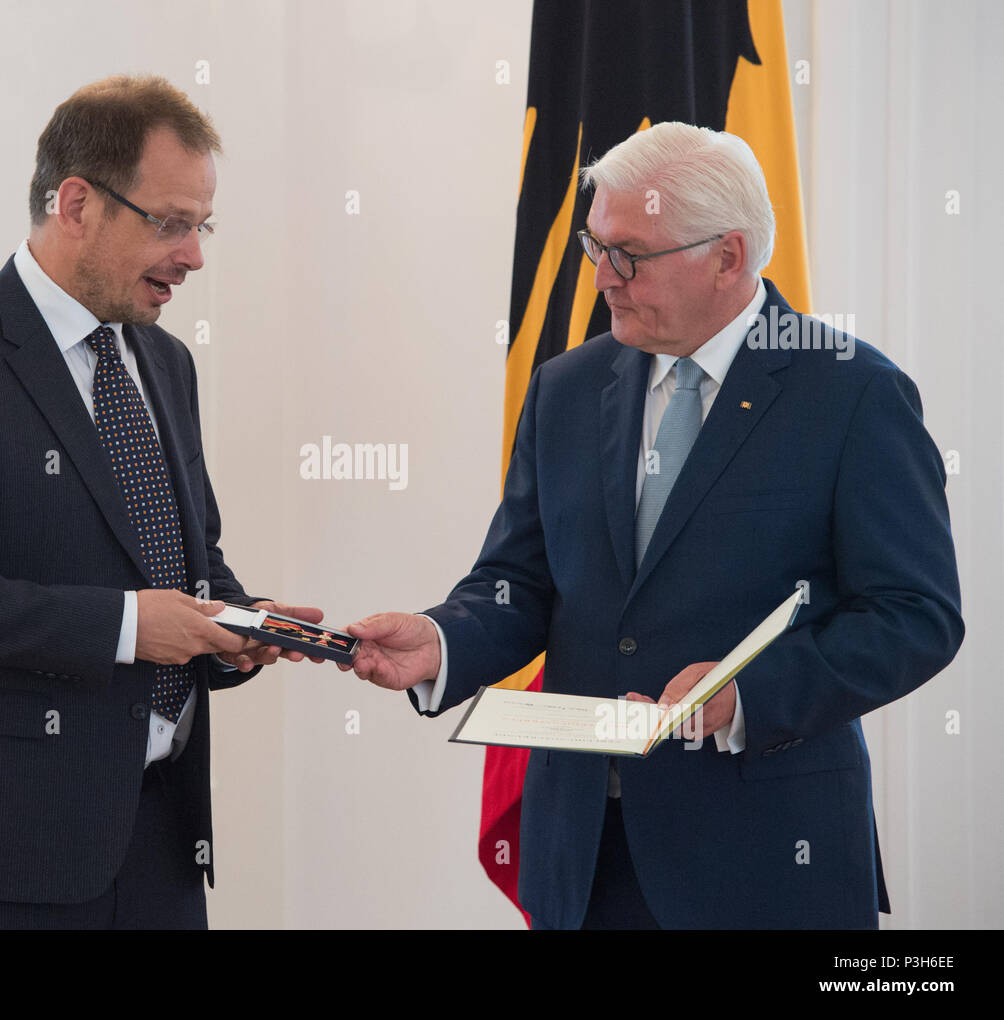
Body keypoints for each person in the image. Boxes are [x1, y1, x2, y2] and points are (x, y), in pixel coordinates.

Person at [345, 122, 963, 929]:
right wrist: (442, 639)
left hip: (765, 858)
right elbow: (523, 581)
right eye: (594, 247)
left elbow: (915, 616)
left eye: (630, 254)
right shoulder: (567, 386)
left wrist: (744, 695)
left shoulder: (852, 393)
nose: (603, 277)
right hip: (583, 857)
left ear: (728, 257)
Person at [0, 75, 320, 929]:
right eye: (171, 222)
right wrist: (131, 628)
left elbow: (186, 562)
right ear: (75, 204)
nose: (195, 255)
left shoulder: (167, 362)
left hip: (161, 838)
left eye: (201, 225)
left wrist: (243, 627)